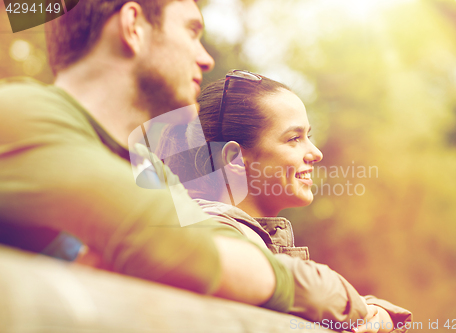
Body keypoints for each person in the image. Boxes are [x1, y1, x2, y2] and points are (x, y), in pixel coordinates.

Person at [0, 1, 295, 312]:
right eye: (191, 31)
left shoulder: (149, 167)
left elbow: (240, 255)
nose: (206, 59)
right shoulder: (17, 112)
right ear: (133, 26)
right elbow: (172, 244)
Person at [159, 70, 413, 332]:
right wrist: (369, 311)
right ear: (233, 158)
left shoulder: (244, 237)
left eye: (309, 137)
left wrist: (376, 312)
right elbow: (313, 293)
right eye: (294, 138)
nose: (315, 153)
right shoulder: (212, 230)